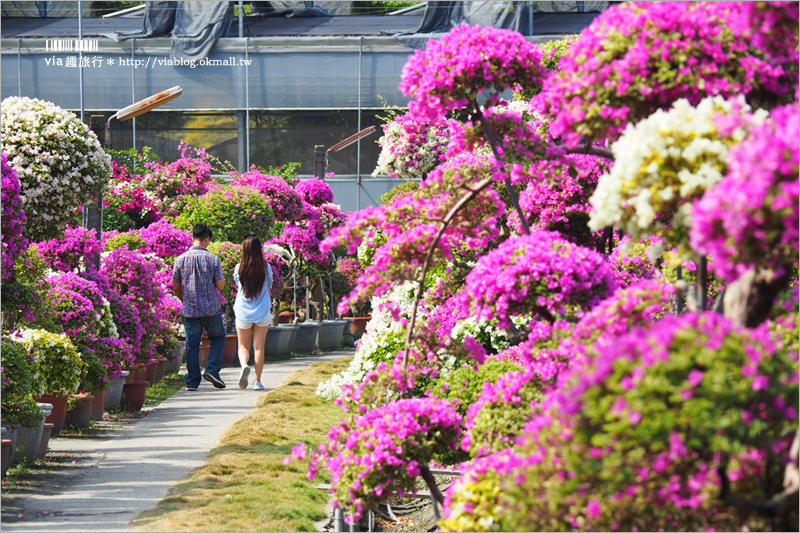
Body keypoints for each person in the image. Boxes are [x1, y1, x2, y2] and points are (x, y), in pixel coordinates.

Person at [172, 223, 227, 390]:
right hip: (210, 308)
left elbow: (175, 286)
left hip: (190, 310)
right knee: (218, 338)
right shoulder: (213, 259)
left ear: (193, 237)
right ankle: (211, 370)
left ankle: (192, 381)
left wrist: (185, 300)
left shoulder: (180, 259)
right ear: (207, 239)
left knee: (192, 345)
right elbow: (220, 286)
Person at [232, 235, 273, 390]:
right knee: (259, 347)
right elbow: (269, 286)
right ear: (259, 249)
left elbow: (239, 286)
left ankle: (244, 366)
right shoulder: (266, 267)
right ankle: (257, 381)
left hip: (243, 312)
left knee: (243, 346)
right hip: (262, 311)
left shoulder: (238, 268)